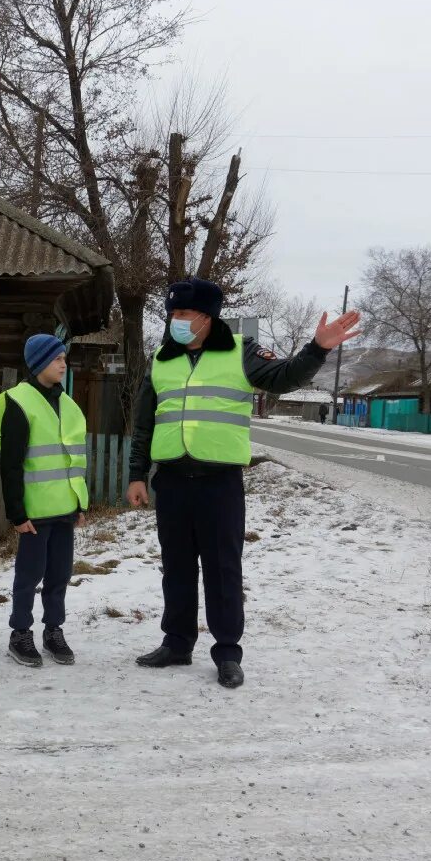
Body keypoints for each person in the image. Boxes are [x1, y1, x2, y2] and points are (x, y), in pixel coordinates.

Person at [127, 277, 361, 688]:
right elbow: (145, 421)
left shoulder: (240, 351)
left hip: (220, 483)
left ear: (206, 317)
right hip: (173, 482)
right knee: (177, 568)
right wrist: (136, 474)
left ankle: (227, 653)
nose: (175, 321)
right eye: (172, 314)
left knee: (222, 568)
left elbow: (283, 377)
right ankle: (177, 642)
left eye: (182, 314)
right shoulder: (162, 358)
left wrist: (316, 349)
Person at [0, 334, 88, 669]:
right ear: (37, 363)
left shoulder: (68, 404)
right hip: (34, 512)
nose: (63, 364)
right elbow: (11, 464)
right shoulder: (18, 403)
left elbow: (73, 458)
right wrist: (17, 512)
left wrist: (79, 504)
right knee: (29, 575)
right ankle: (20, 633)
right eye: (56, 359)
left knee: (60, 573)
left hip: (64, 509)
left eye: (64, 358)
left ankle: (53, 630)